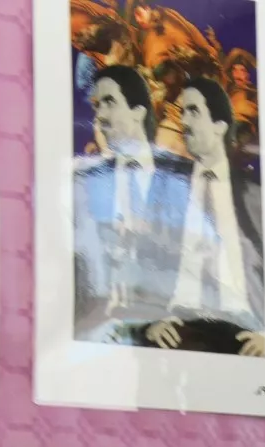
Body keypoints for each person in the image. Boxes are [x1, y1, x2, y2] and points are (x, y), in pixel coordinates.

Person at [141, 77, 265, 358]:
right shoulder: (165, 191)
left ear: (220, 125)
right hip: (176, 332)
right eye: (182, 112)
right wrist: (150, 322)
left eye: (193, 111)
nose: (184, 121)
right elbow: (145, 261)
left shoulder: (255, 196)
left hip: (245, 335)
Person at [72, 64, 192, 340]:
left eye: (110, 103)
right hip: (96, 339)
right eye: (97, 105)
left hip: (171, 342)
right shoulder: (82, 181)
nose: (100, 115)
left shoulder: (181, 180)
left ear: (139, 111)